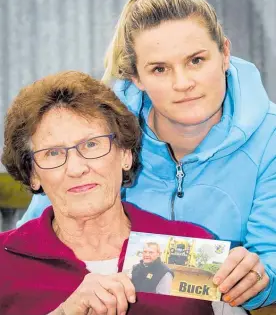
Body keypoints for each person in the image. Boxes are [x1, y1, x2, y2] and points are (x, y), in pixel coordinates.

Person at [17, 0, 276, 312]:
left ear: (224, 53)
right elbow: (28, 246)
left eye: (196, 60)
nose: (183, 84)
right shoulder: (97, 136)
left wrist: (257, 280)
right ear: (136, 77)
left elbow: (270, 263)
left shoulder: (271, 137)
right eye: (159, 69)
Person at [0, 71, 216, 315]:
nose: (76, 168)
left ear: (125, 154)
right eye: (53, 153)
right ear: (33, 174)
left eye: (91, 145)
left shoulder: (185, 248)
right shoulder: (4, 260)